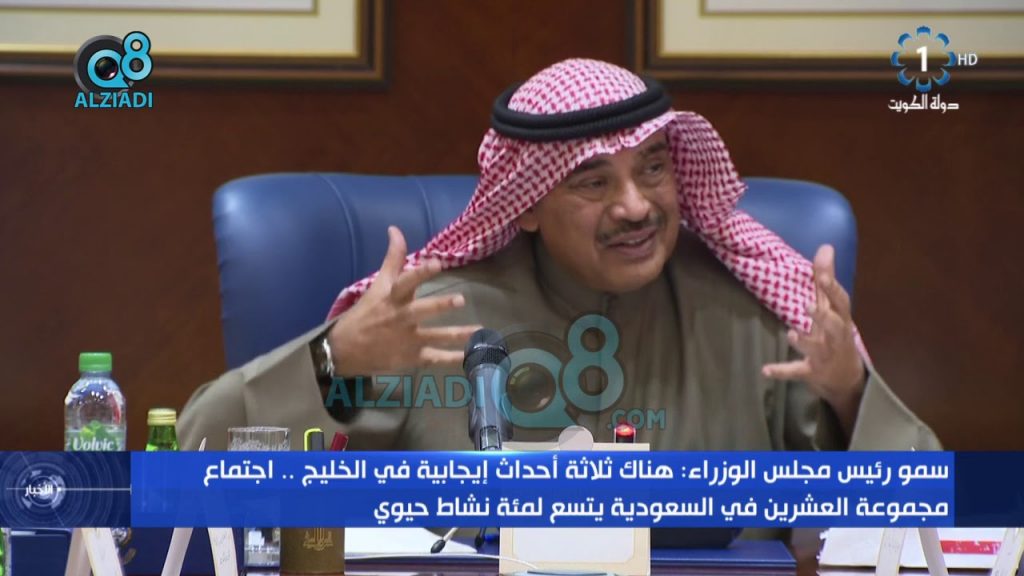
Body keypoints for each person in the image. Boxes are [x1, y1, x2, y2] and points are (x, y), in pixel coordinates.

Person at [178, 58, 939, 456]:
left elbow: (919, 509)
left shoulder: (755, 315)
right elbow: (196, 453)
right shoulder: (426, 323)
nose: (637, 205)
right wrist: (336, 359)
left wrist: (848, 391)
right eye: (594, 182)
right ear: (527, 205)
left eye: (653, 169)